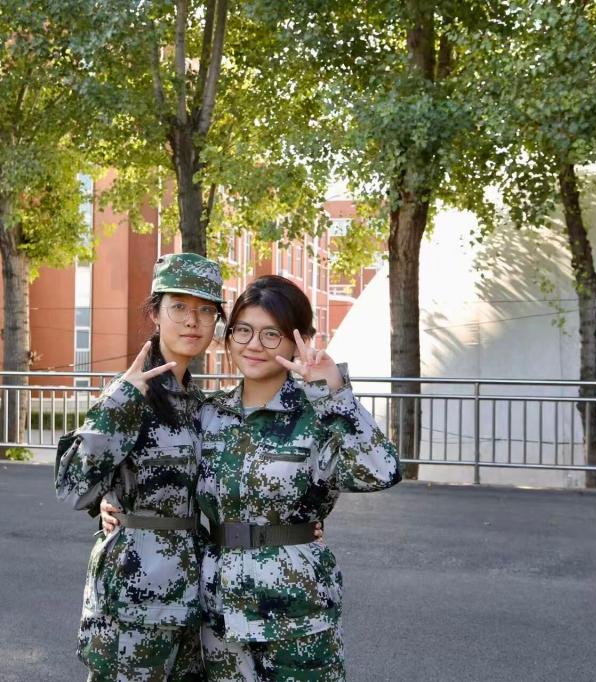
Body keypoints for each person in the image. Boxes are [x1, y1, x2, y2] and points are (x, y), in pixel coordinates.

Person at [196, 275, 401, 680]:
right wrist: (111, 503)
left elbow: (382, 471)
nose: (254, 345)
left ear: (299, 340)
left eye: (271, 334)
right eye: (243, 330)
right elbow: (162, 470)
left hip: (297, 611)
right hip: (219, 610)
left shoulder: (319, 415)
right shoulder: (208, 414)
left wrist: (334, 392)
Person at [55, 252, 225, 680]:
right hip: (135, 591)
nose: (192, 321)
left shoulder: (198, 403)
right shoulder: (129, 393)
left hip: (190, 589)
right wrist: (121, 403)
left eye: (206, 310)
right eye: (179, 307)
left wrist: (299, 523)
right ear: (155, 314)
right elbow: (73, 484)